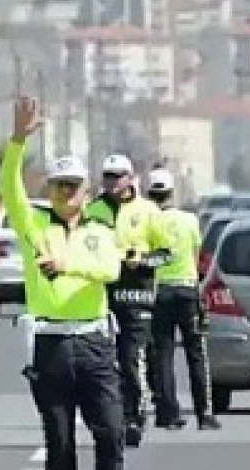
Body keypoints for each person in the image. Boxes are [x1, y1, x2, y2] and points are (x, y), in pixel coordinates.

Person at [0, 95, 130, 470]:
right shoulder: (35, 226)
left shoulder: (98, 233)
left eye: (73, 186)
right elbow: (9, 188)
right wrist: (17, 141)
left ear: (87, 193)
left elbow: (111, 270)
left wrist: (69, 264)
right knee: (59, 441)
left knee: (111, 431)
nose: (65, 193)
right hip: (52, 345)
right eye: (58, 185)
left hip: (94, 344)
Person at [85, 154, 172, 448]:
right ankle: (110, 416)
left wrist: (143, 261)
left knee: (130, 358)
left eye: (118, 176)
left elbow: (166, 253)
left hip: (138, 294)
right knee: (102, 362)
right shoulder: (93, 210)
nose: (112, 182)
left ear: (131, 178)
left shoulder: (148, 211)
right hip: (102, 294)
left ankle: (134, 416)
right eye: (107, 176)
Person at [145, 168, 221, 431]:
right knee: (196, 352)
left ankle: (169, 414)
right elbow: (197, 252)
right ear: (171, 193)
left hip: (159, 292)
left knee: (162, 354)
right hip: (188, 291)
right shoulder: (189, 220)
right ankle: (205, 414)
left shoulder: (148, 221)